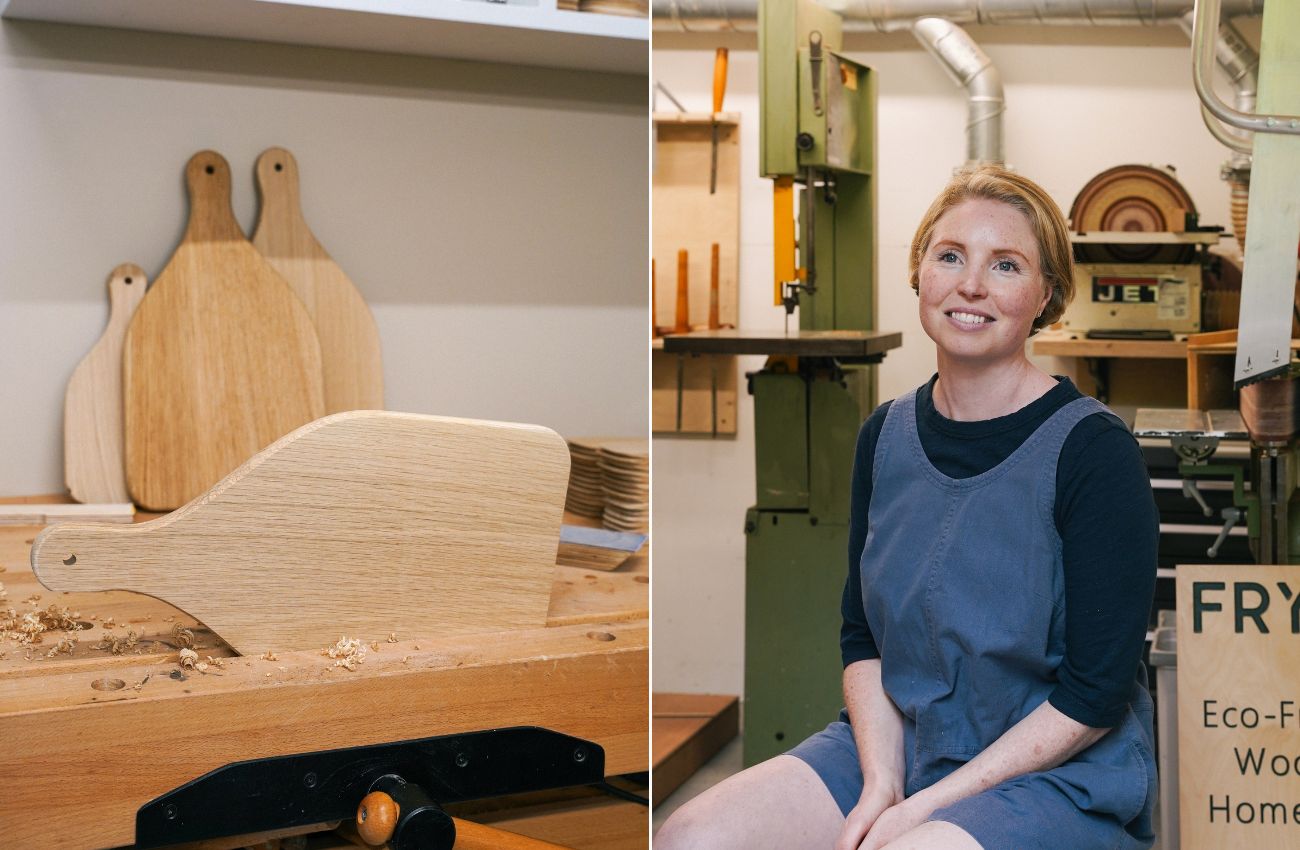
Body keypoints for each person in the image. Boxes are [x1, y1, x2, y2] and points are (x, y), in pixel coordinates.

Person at [655, 165, 1159, 850]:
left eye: (1006, 265)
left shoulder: (1093, 452)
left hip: (1052, 773)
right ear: (920, 271)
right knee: (691, 835)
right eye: (950, 256)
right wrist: (883, 784)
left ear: (1047, 296)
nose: (971, 284)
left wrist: (925, 810)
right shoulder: (883, 435)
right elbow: (862, 634)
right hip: (905, 744)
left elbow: (1094, 697)